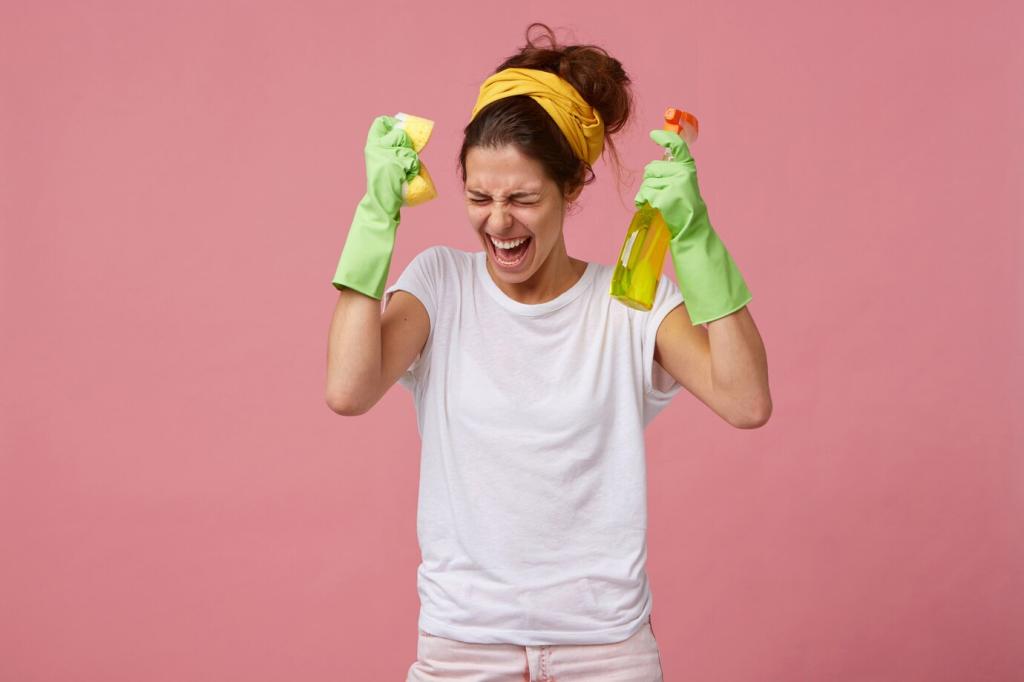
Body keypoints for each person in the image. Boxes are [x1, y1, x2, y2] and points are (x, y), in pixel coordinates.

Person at [325, 22, 771, 682]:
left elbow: (746, 400)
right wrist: (374, 218)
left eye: (523, 199)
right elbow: (348, 389)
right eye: (479, 197)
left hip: (606, 651)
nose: (498, 221)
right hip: (464, 646)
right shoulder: (441, 284)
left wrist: (696, 240)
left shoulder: (629, 302)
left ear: (572, 189)